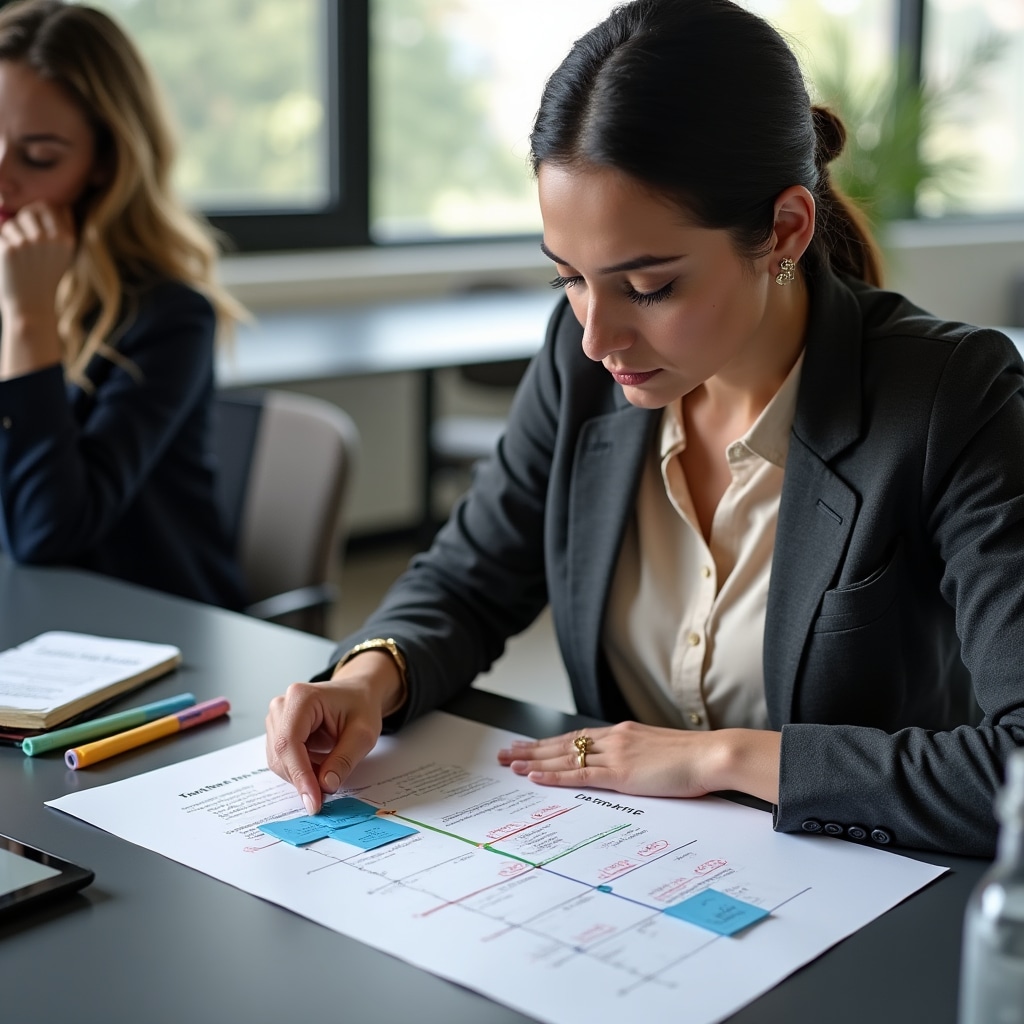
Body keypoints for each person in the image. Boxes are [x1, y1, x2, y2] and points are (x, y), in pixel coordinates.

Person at [265, 0, 1024, 857]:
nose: (598, 337)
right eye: (570, 281)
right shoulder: (580, 361)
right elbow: (472, 578)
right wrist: (372, 677)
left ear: (784, 230)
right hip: (631, 881)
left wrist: (723, 759)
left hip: (867, 896)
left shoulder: (951, 396)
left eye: (650, 287)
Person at [0, 0, 245, 608]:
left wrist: (28, 321)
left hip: (147, 635)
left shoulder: (169, 317)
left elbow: (46, 533)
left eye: (39, 157)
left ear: (105, 164)